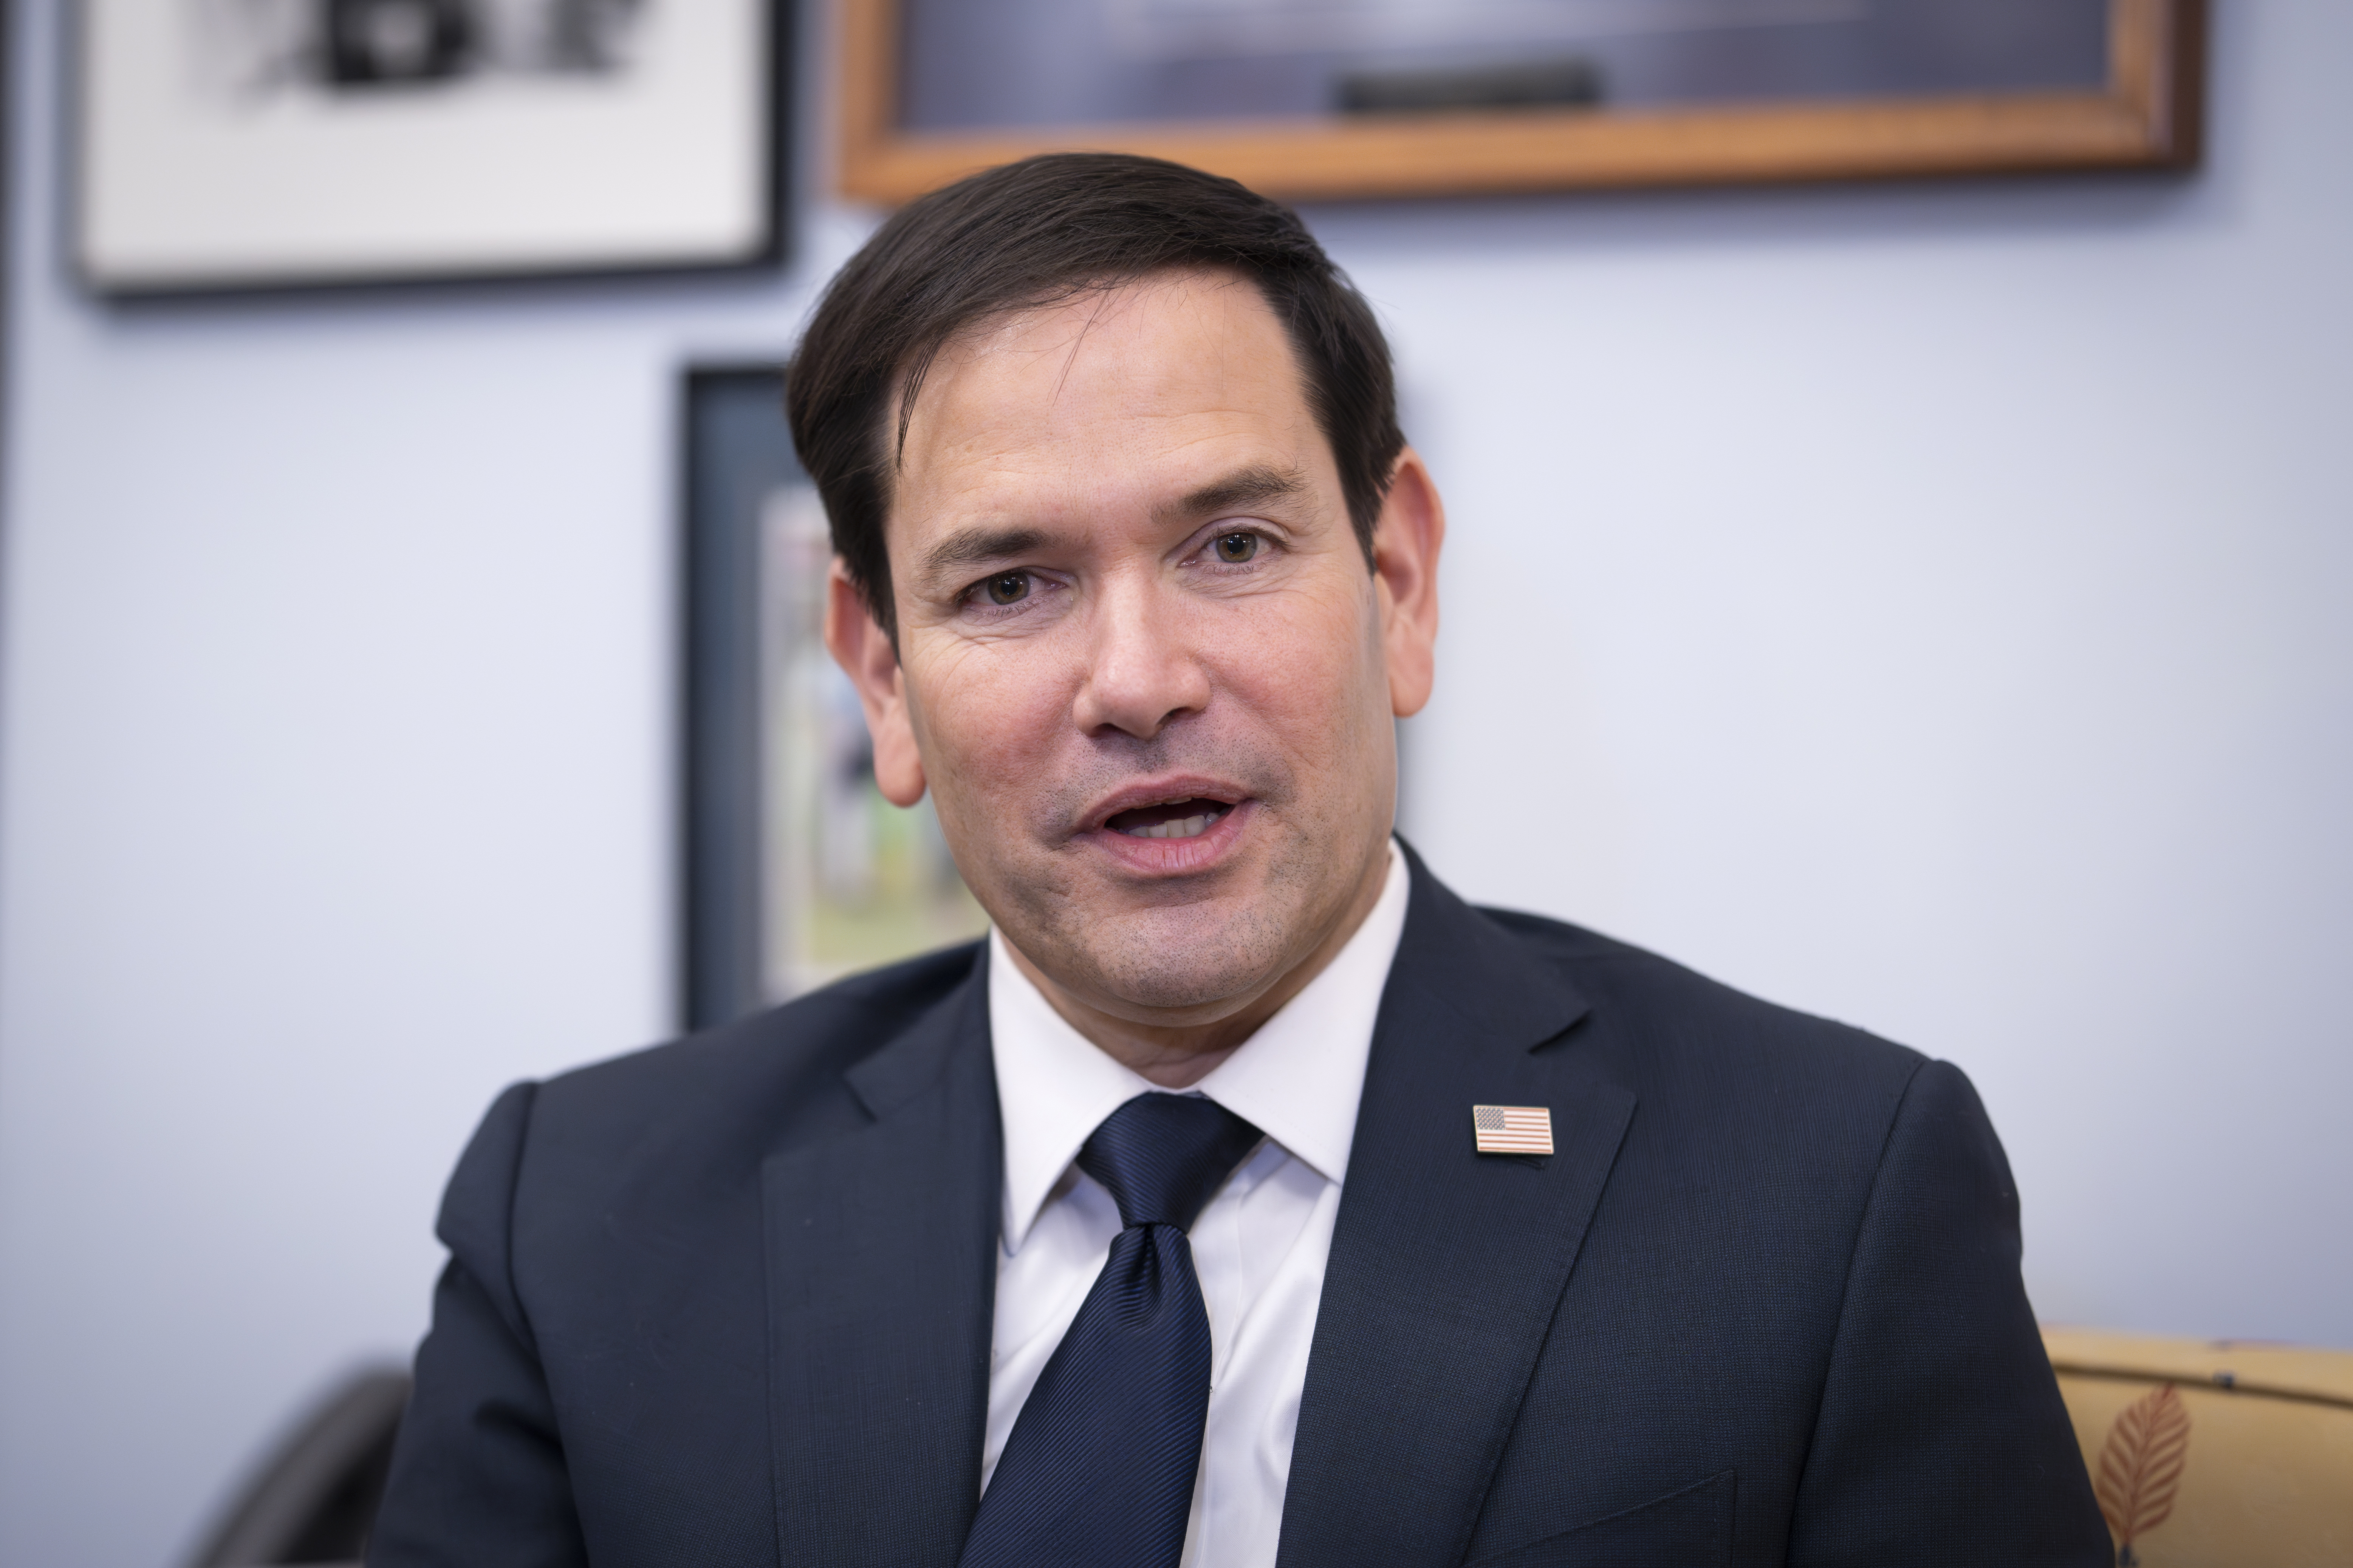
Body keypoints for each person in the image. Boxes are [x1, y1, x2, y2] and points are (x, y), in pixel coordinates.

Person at [370, 153, 2108, 1568]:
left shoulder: (1824, 1192)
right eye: (1008, 586)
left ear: (1399, 583)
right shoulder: (581, 1218)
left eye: (1233, 543)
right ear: (882, 678)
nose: (1138, 682)